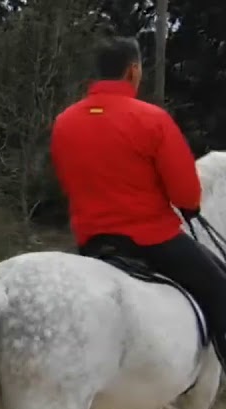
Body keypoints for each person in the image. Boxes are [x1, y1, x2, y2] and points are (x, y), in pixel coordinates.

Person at [50, 35, 226, 365]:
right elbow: (185, 192)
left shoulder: (64, 122)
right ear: (133, 71)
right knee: (220, 290)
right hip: (150, 238)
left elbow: (69, 180)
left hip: (92, 240)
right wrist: (188, 207)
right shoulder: (152, 119)